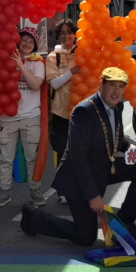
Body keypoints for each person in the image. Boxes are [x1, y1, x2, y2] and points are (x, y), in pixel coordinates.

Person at [21, 67, 136, 245]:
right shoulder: (84, 111)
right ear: (101, 85)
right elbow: (78, 158)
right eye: (112, 86)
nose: (116, 92)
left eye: (121, 87)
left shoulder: (117, 105)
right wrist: (93, 195)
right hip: (78, 178)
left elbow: (113, 133)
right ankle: (34, 218)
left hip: (103, 167)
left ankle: (124, 225)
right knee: (85, 237)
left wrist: (130, 147)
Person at [0, 27, 46, 208]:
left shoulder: (37, 63)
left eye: (31, 42)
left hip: (31, 117)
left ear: (35, 46)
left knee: (32, 157)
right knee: (5, 158)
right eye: (24, 40)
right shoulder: (4, 59)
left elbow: (35, 85)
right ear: (17, 41)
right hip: (6, 118)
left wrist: (21, 64)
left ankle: (35, 190)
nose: (27, 44)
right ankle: (5, 192)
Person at [45, 18, 79, 204]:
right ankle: (63, 189)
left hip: (81, 110)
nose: (66, 36)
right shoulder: (53, 57)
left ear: (75, 34)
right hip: (60, 112)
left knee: (81, 150)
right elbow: (55, 83)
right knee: (62, 150)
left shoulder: (82, 53)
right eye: (62, 33)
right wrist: (72, 72)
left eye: (69, 32)